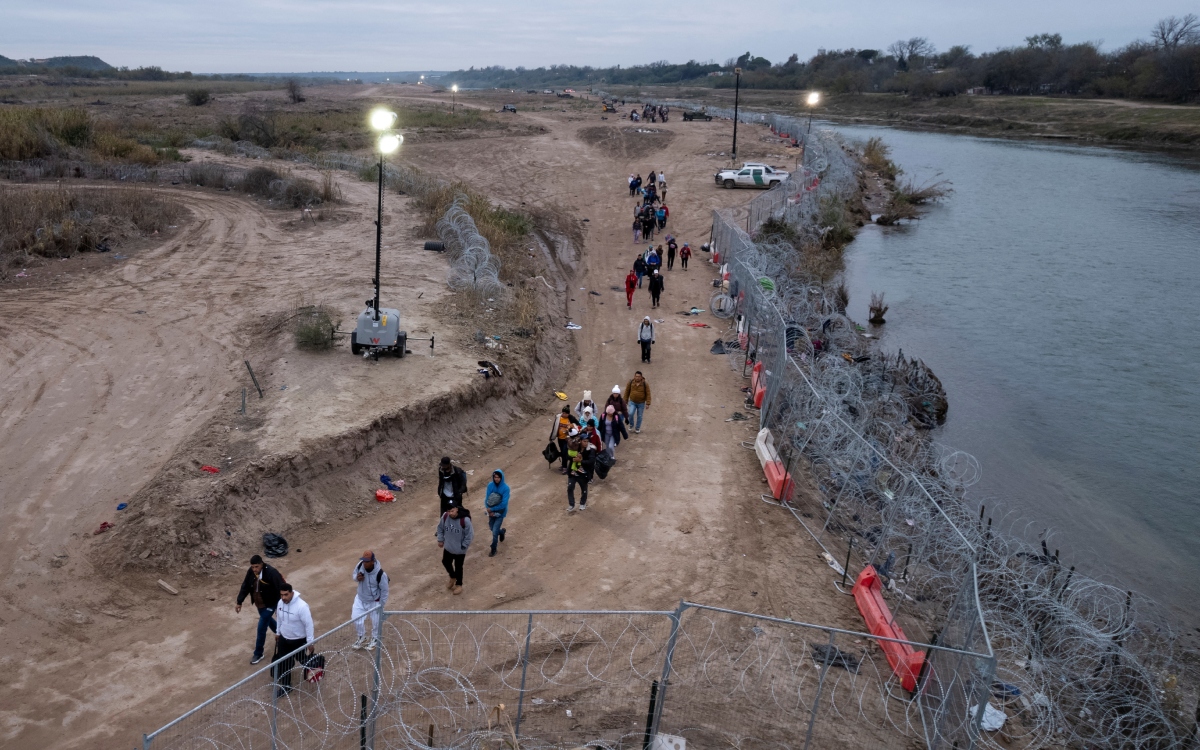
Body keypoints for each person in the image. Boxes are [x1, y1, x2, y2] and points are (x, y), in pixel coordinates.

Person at [236, 554, 286, 664]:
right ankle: (283, 636)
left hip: (271, 604)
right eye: (253, 567)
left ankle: (258, 653)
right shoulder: (251, 572)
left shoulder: (271, 573)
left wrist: (284, 603)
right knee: (268, 621)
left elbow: (282, 587)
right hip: (260, 604)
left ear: (262, 564)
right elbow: (245, 586)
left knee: (261, 627)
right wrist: (239, 601)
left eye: (256, 567)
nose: (254, 569)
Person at [272, 583, 314, 696]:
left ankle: (315, 670)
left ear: (292, 593)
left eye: (286, 595)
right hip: (284, 639)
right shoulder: (280, 603)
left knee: (303, 659)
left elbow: (308, 625)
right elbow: (279, 619)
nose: (283, 597)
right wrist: (278, 632)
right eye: (281, 595)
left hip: (298, 640)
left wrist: (310, 642)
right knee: (284, 662)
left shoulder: (302, 606)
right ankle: (286, 686)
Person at [349, 551, 388, 651]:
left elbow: (385, 590)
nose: (364, 563)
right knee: (355, 618)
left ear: (373, 561)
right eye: (363, 561)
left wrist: (381, 605)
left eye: (367, 561)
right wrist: (357, 578)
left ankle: (375, 638)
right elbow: (354, 575)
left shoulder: (380, 574)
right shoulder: (360, 566)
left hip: (374, 601)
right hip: (360, 598)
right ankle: (362, 637)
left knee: (376, 622)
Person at [436, 504, 473, 595]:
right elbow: (440, 528)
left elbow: (469, 536)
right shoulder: (445, 516)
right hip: (448, 547)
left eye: (452, 511)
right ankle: (452, 577)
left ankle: (459, 584)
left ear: (456, 509)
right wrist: (440, 539)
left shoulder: (465, 520)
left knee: (458, 567)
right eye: (448, 511)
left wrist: (463, 546)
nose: (450, 513)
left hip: (460, 550)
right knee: (445, 562)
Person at [485, 470, 510, 557]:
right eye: (495, 477)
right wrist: (489, 509)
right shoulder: (490, 485)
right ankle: (502, 532)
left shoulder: (506, 488)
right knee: (492, 528)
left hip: (500, 512)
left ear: (501, 477)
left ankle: (493, 548)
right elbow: (487, 498)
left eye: (498, 477)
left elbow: (504, 503)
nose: (496, 479)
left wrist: (493, 509)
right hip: (491, 511)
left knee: (494, 532)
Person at [566, 430, 592, 512]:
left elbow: (591, 461)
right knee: (570, 487)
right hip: (573, 472)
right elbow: (567, 456)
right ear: (580, 441)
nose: (586, 443)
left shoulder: (590, 450)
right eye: (584, 441)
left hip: (583, 473)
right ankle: (571, 504)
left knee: (584, 489)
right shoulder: (574, 448)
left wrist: (580, 461)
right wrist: (573, 459)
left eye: (587, 441)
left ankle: (582, 503)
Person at [550, 405, 578, 474]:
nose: (564, 414)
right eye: (563, 412)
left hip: (567, 440)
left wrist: (570, 431)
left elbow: (577, 426)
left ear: (568, 414)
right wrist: (552, 437)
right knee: (562, 452)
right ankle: (563, 465)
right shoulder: (558, 418)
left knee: (564, 453)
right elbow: (555, 427)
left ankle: (565, 467)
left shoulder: (571, 419)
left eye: (565, 413)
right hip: (560, 438)